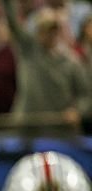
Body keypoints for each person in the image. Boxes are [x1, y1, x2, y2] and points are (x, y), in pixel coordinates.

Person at [5, 0, 91, 128]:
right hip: (27, 127)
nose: (50, 34)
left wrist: (78, 111)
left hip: (59, 128)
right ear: (37, 31)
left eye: (53, 30)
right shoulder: (28, 50)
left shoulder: (71, 61)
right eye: (45, 30)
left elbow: (85, 95)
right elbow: (13, 23)